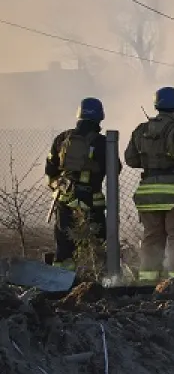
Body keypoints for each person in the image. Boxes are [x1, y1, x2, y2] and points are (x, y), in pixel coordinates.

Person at [124, 86, 174, 285]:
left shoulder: (141, 131)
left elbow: (131, 159)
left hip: (148, 194)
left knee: (152, 237)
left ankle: (148, 282)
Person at [43, 97, 116, 272]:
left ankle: (62, 278)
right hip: (92, 200)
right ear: (100, 117)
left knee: (64, 245)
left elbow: (50, 170)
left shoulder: (62, 138)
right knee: (99, 242)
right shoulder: (103, 142)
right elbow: (115, 169)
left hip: (65, 199)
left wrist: (58, 187)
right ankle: (101, 276)